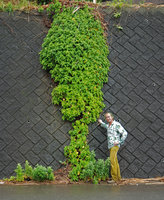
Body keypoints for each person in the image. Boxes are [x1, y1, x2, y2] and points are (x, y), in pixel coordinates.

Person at [98, 112, 128, 184]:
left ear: (112, 117)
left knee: (112, 161)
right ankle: (118, 178)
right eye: (106, 117)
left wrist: (119, 141)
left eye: (109, 117)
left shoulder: (116, 124)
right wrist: (101, 122)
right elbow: (105, 125)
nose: (108, 118)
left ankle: (114, 179)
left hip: (115, 146)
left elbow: (125, 133)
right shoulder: (109, 125)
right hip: (110, 146)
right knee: (115, 161)